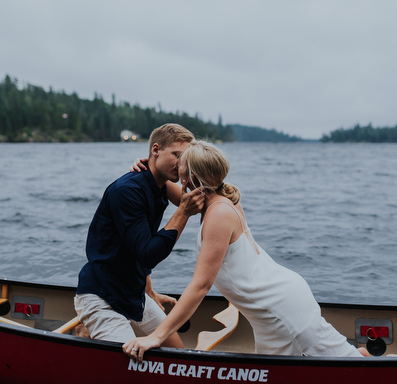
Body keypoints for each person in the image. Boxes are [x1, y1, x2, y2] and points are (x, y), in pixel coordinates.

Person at [123, 141, 370, 362]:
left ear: (191, 179)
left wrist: (156, 336)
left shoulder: (218, 214)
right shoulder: (217, 196)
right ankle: (356, 354)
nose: (177, 173)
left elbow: (200, 286)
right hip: (271, 310)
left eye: (181, 169)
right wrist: (150, 169)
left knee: (355, 372)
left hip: (281, 311)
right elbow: (172, 191)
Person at [74, 124, 205, 346]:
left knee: (177, 351)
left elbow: (201, 201)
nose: (182, 163)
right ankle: (88, 328)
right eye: (177, 155)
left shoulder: (159, 183)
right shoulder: (128, 191)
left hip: (133, 292)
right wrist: (182, 212)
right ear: (155, 150)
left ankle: (90, 330)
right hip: (102, 295)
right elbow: (148, 254)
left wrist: (148, 288)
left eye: (186, 158)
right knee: (130, 364)